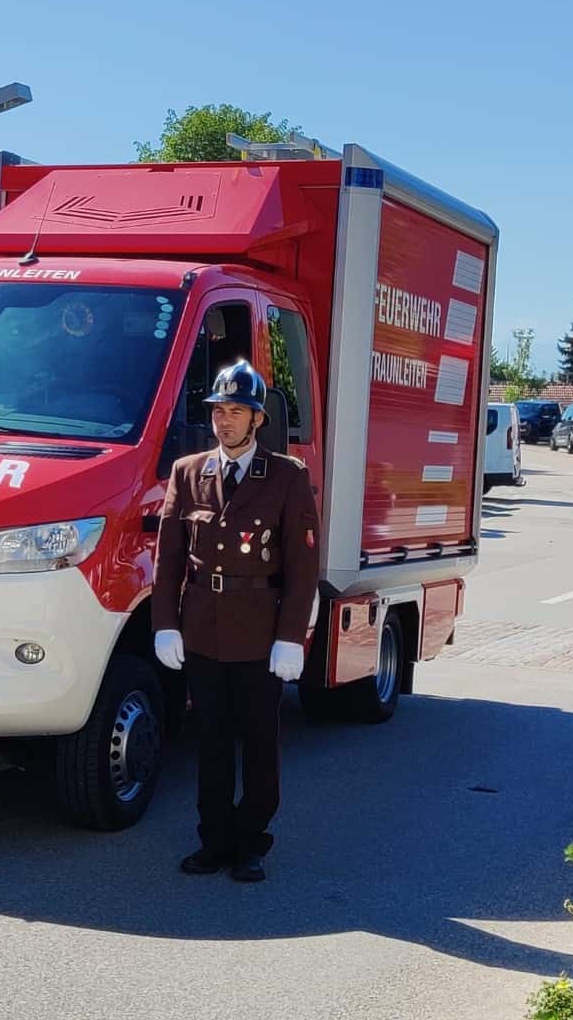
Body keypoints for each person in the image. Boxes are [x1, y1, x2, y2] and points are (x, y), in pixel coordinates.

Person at [152, 359, 320, 883]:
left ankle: (251, 842)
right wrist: (165, 623)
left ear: (257, 419)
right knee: (212, 740)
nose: (224, 421)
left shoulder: (287, 477)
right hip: (203, 628)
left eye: (236, 412)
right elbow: (168, 558)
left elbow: (303, 565)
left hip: (260, 632)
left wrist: (290, 637)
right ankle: (214, 840)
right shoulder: (188, 472)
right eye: (219, 411)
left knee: (260, 741)